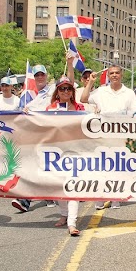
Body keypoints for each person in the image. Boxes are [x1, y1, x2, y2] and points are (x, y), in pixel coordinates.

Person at [80, 64, 136, 209]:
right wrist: (91, 83)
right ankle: (100, 197)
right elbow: (83, 99)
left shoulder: (129, 93)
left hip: (121, 134)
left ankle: (115, 197)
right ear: (108, 76)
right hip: (102, 134)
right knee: (101, 167)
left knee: (117, 167)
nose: (114, 75)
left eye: (116, 73)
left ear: (121, 75)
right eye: (111, 73)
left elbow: (135, 114)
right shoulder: (101, 91)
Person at [13, 64, 59, 212]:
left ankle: (53, 194)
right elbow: (19, 115)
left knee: (48, 167)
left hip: (52, 134)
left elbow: (68, 82)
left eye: (42, 74)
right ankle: (25, 199)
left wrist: (70, 64)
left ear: (46, 76)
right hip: (35, 136)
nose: (40, 77)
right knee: (32, 166)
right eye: (37, 75)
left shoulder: (53, 90)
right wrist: (24, 111)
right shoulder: (28, 96)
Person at [45, 77, 86, 236]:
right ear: (57, 91)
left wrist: (95, 113)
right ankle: (63, 213)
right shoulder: (49, 108)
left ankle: (72, 223)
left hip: (75, 152)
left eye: (69, 88)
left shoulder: (79, 107)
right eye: (62, 89)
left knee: (72, 186)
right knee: (59, 186)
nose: (66, 91)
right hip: (55, 152)